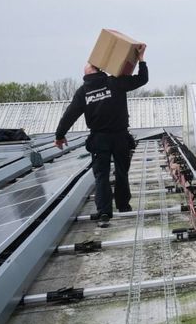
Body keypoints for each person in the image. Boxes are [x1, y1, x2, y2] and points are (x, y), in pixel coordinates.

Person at [55, 44, 148, 223]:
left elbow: (70, 114)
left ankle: (105, 211)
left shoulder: (84, 92)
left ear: (87, 74)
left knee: (101, 175)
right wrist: (141, 58)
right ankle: (123, 205)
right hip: (120, 137)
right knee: (122, 171)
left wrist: (59, 136)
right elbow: (142, 79)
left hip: (100, 139)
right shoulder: (115, 82)